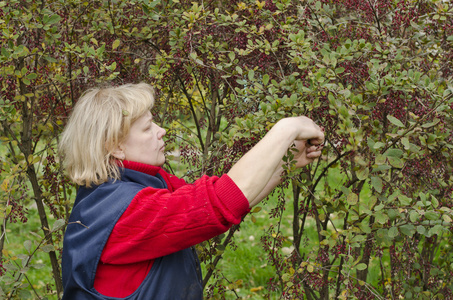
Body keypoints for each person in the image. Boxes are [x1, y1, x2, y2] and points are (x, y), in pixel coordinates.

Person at [59, 82, 324, 299]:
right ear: (115, 146)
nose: (161, 131)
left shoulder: (146, 183)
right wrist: (287, 128)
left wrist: (287, 161)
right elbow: (220, 202)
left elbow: (223, 204)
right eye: (147, 127)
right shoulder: (122, 210)